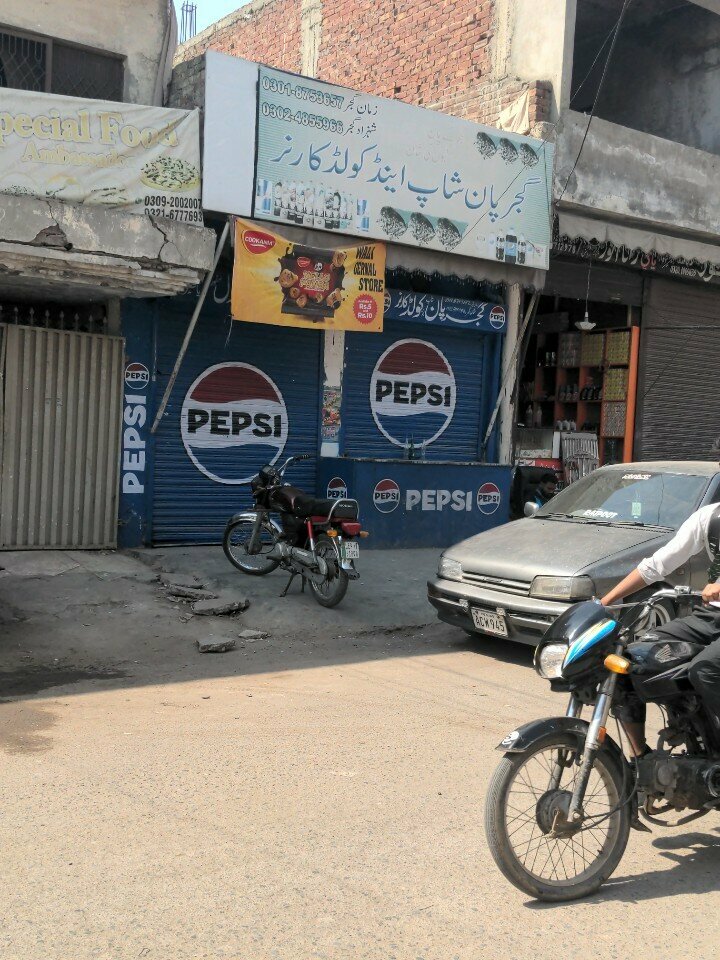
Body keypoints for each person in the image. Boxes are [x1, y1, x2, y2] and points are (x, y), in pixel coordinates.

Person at [601, 499, 720, 757]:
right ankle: (642, 760)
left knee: (705, 669)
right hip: (710, 615)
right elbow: (657, 565)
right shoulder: (709, 518)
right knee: (631, 659)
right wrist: (606, 601)